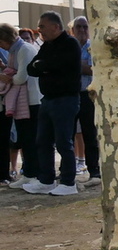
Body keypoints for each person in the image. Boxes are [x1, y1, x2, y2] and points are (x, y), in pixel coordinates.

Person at [22, 11, 82, 196]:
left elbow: (58, 65)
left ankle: (68, 182)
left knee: (63, 142)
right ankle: (46, 180)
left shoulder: (70, 43)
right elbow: (31, 68)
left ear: (56, 27)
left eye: (42, 26)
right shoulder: (46, 45)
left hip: (66, 99)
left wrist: (44, 66)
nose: (39, 30)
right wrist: (44, 66)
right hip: (47, 100)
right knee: (42, 141)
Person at [0, 23, 41, 191]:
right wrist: (6, 70)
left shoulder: (24, 49)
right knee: (25, 139)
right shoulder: (14, 51)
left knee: (31, 139)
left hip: (32, 100)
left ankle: (35, 174)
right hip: (23, 101)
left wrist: (6, 77)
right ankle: (29, 173)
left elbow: (21, 77)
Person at [70, 16, 102, 188]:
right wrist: (80, 65)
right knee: (68, 135)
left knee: (90, 134)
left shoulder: (93, 47)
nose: (82, 30)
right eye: (78, 27)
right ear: (73, 30)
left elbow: (93, 69)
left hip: (88, 95)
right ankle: (68, 172)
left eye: (84, 27)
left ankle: (94, 171)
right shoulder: (70, 46)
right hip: (70, 94)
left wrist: (74, 65)